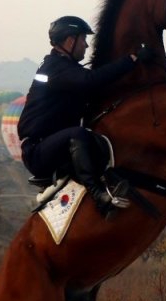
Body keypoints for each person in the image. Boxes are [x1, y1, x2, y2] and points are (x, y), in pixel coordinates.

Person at [17, 15, 151, 210]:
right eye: (83, 40)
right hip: (38, 151)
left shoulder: (66, 68)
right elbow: (90, 81)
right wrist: (131, 60)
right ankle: (98, 195)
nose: (86, 46)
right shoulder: (55, 67)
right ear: (70, 41)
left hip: (54, 145)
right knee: (78, 134)